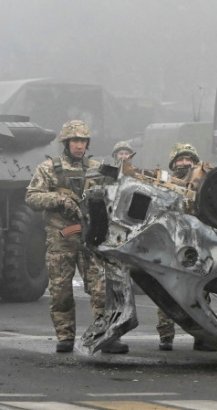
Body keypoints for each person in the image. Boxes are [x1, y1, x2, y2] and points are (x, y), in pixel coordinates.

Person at [25, 120, 128, 354]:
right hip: (61, 239)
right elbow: (32, 197)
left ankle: (106, 336)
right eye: (75, 141)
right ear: (66, 142)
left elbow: (118, 191)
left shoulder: (96, 168)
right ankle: (65, 336)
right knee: (61, 292)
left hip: (90, 238)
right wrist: (60, 200)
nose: (79, 145)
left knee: (101, 290)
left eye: (83, 141)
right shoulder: (49, 168)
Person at [157, 143, 217, 352]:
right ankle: (166, 336)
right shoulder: (163, 183)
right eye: (180, 159)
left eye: (188, 159)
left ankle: (203, 337)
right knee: (166, 288)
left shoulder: (204, 182)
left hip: (197, 244)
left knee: (201, 291)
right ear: (173, 163)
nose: (184, 163)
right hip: (170, 242)